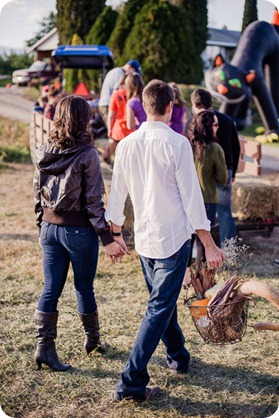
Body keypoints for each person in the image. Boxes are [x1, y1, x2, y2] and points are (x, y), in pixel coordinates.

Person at [106, 79, 224, 401]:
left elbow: (116, 196)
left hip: (145, 239)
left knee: (163, 303)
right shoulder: (177, 144)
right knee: (158, 308)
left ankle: (178, 358)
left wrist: (114, 234)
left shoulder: (126, 144)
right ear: (170, 107)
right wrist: (210, 244)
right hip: (172, 240)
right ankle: (130, 382)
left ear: (144, 107)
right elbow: (192, 199)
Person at [33, 95, 128, 372]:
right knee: (83, 287)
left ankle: (44, 348)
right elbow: (94, 202)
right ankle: (92, 341)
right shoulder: (88, 154)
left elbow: (36, 194)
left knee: (51, 288)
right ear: (84, 120)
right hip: (78, 231)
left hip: (50, 229)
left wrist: (43, 225)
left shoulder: (43, 150)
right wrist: (108, 239)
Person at [185, 88, 240, 245]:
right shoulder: (227, 120)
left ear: (195, 104)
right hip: (224, 170)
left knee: (200, 212)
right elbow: (236, 148)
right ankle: (228, 251)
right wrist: (233, 171)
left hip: (201, 173)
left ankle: (199, 249)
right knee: (224, 212)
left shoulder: (191, 122)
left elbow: (185, 148)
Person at [188, 110, 228, 267]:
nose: (218, 127)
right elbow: (222, 178)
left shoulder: (187, 146)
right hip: (207, 199)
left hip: (187, 200)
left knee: (187, 240)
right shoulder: (215, 149)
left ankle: (185, 279)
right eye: (216, 124)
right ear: (208, 126)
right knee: (202, 241)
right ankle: (200, 277)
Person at [98, 60, 141, 128]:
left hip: (105, 103)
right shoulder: (119, 74)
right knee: (113, 130)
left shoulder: (116, 71)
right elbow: (118, 92)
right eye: (133, 72)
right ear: (129, 68)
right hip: (107, 104)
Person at [101, 74, 133, 162]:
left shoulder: (116, 94)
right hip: (131, 131)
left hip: (118, 131)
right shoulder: (133, 94)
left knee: (118, 158)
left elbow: (111, 115)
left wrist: (109, 129)